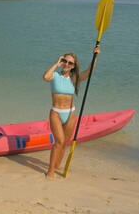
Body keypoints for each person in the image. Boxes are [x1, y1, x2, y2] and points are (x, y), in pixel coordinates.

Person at [42, 46, 100, 179]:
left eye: (70, 63)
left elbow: (89, 72)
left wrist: (95, 57)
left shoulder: (75, 79)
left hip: (70, 114)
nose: (67, 64)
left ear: (74, 66)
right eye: (65, 61)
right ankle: (50, 172)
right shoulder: (55, 75)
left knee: (64, 143)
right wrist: (56, 63)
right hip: (56, 113)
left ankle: (57, 166)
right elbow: (45, 77)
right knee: (59, 141)